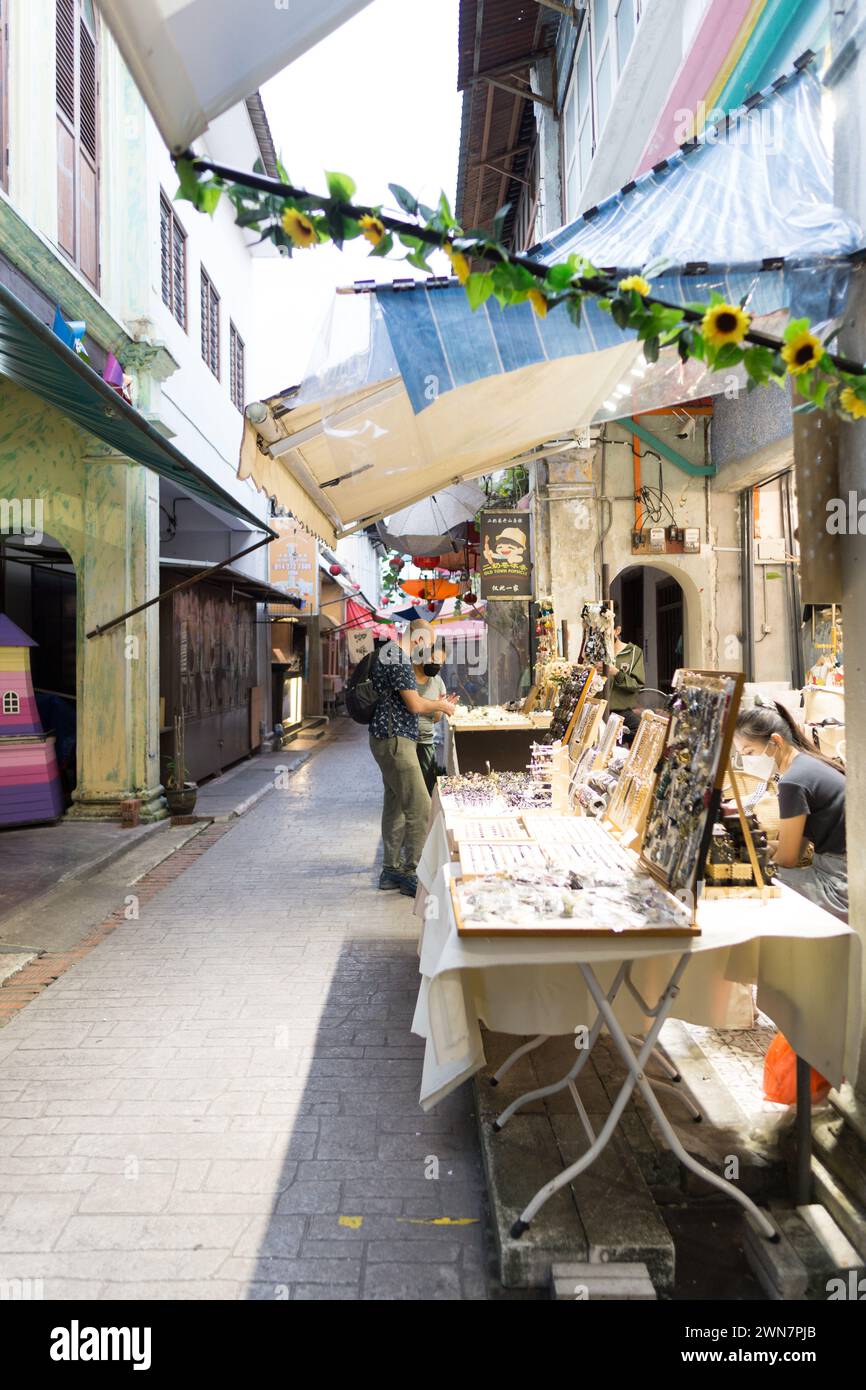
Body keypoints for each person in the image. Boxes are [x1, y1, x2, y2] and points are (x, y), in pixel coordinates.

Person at [733, 700, 847, 921]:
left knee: (745, 883)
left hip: (840, 887)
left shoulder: (793, 782)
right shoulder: (808, 763)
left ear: (775, 741)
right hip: (844, 872)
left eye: (749, 752)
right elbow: (796, 845)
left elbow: (788, 859)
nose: (746, 760)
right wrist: (761, 846)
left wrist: (745, 864)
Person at [369, 620, 458, 896]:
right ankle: (412, 872)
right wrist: (441, 705)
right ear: (418, 639)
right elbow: (416, 704)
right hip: (396, 739)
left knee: (395, 803)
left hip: (388, 737)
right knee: (419, 805)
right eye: (428, 644)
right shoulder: (398, 659)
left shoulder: (391, 655)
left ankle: (391, 870)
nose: (428, 651)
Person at [413, 641, 447, 794]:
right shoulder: (408, 679)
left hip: (426, 740)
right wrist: (437, 705)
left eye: (440, 663)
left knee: (427, 788)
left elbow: (436, 718)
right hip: (406, 741)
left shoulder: (438, 682)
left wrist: (441, 706)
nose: (436, 665)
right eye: (434, 659)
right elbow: (412, 706)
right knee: (410, 788)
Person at [605, 613, 645, 738]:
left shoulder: (633, 653)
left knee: (641, 733)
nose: (603, 635)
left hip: (622, 712)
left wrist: (616, 673)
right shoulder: (597, 653)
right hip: (599, 711)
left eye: (606, 630)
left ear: (617, 630)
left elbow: (636, 684)